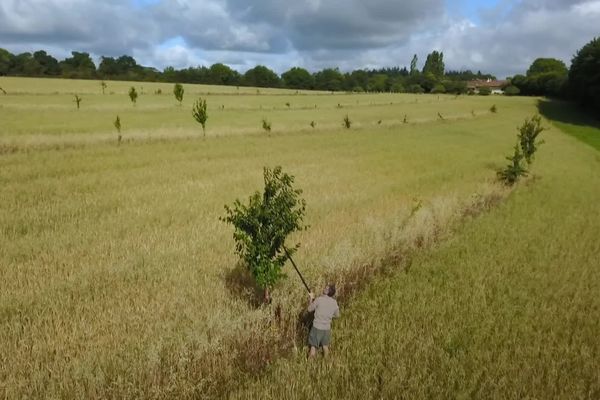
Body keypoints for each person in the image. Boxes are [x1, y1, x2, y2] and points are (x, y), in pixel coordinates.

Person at [307, 283, 340, 358]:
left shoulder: (319, 299)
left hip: (316, 328)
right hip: (327, 329)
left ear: (328, 291)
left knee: (313, 348)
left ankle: (309, 366)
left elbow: (309, 309)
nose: (324, 288)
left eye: (326, 288)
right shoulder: (334, 302)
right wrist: (329, 316)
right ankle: (326, 365)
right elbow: (337, 315)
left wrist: (311, 299)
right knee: (325, 347)